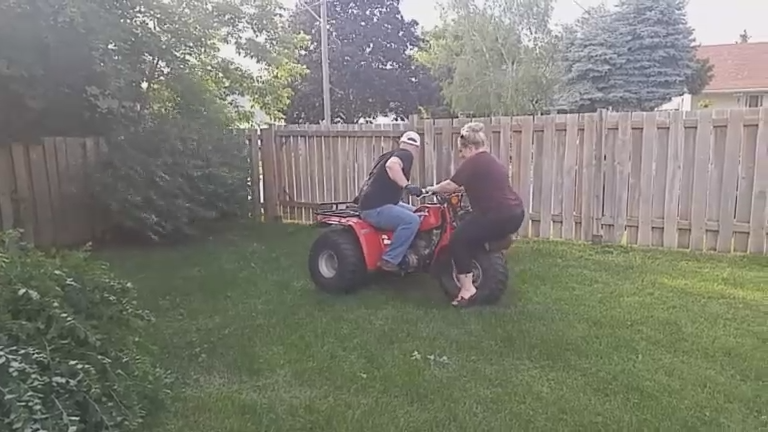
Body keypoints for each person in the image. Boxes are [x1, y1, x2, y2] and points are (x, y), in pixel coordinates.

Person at [425, 122, 526, 307]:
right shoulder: (492, 160)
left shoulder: (474, 161)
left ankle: (467, 290)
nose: (461, 156)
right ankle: (486, 267)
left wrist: (431, 189)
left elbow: (451, 185)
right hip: (515, 213)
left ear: (470, 147)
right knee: (472, 233)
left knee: (458, 239)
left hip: (496, 214)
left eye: (462, 151)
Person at [356, 131, 424, 272]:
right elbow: (392, 166)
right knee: (411, 221)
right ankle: (389, 260)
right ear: (417, 148)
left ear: (401, 142)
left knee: (422, 213)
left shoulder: (388, 154)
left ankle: (414, 251)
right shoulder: (406, 154)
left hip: (379, 203)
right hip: (375, 208)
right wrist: (407, 186)